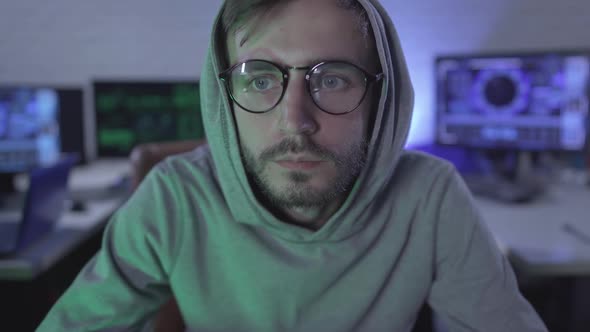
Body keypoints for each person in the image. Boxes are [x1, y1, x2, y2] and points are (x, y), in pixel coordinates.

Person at [38, 0, 549, 331]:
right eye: (260, 79)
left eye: (332, 79)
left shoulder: (431, 198)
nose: (294, 122)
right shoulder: (175, 198)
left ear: (381, 97)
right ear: (225, 97)